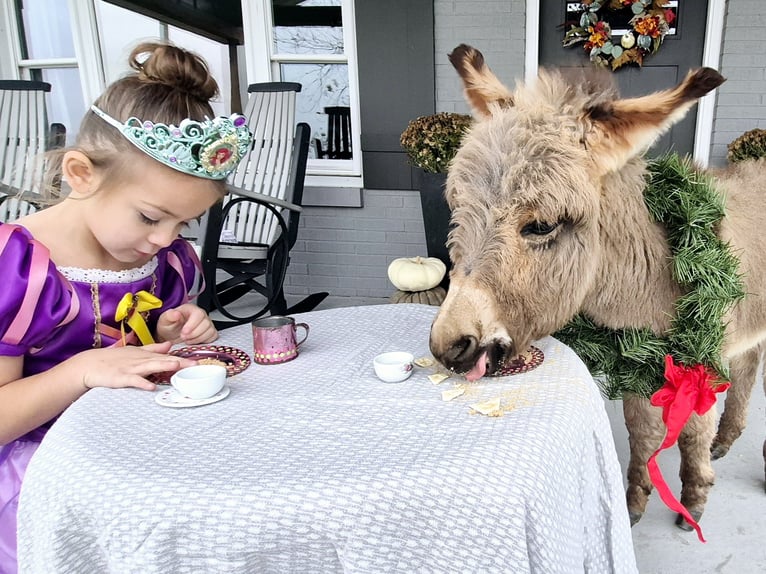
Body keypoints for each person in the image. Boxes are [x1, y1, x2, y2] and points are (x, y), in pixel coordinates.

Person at [0, 41, 252, 571]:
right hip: (47, 482)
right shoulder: (18, 268)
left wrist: (168, 327)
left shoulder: (158, 262)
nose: (166, 239)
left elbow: (132, 349)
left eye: (184, 224)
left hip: (134, 456)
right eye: (150, 217)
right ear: (81, 173)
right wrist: (81, 371)